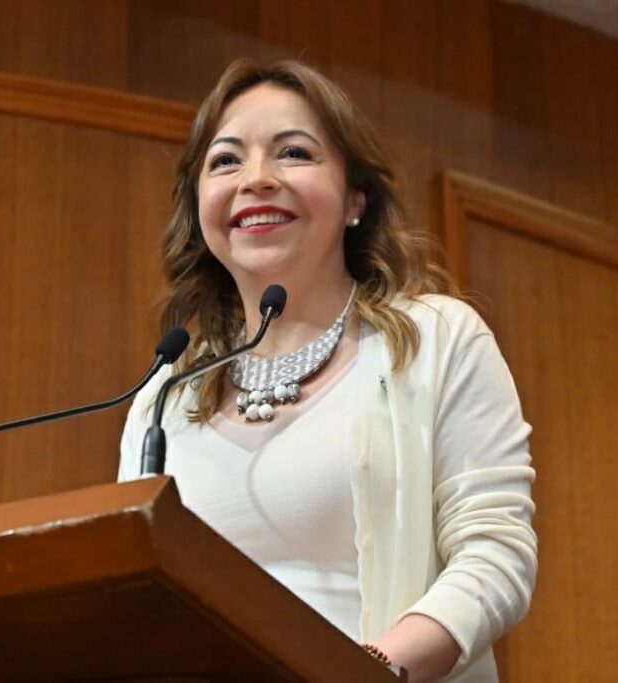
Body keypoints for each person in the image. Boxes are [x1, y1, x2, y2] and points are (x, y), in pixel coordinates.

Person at [119, 59, 536, 683]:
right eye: (226, 160)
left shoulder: (437, 340)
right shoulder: (165, 395)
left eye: (293, 153)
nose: (256, 179)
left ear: (355, 199)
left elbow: (494, 554)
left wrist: (365, 672)